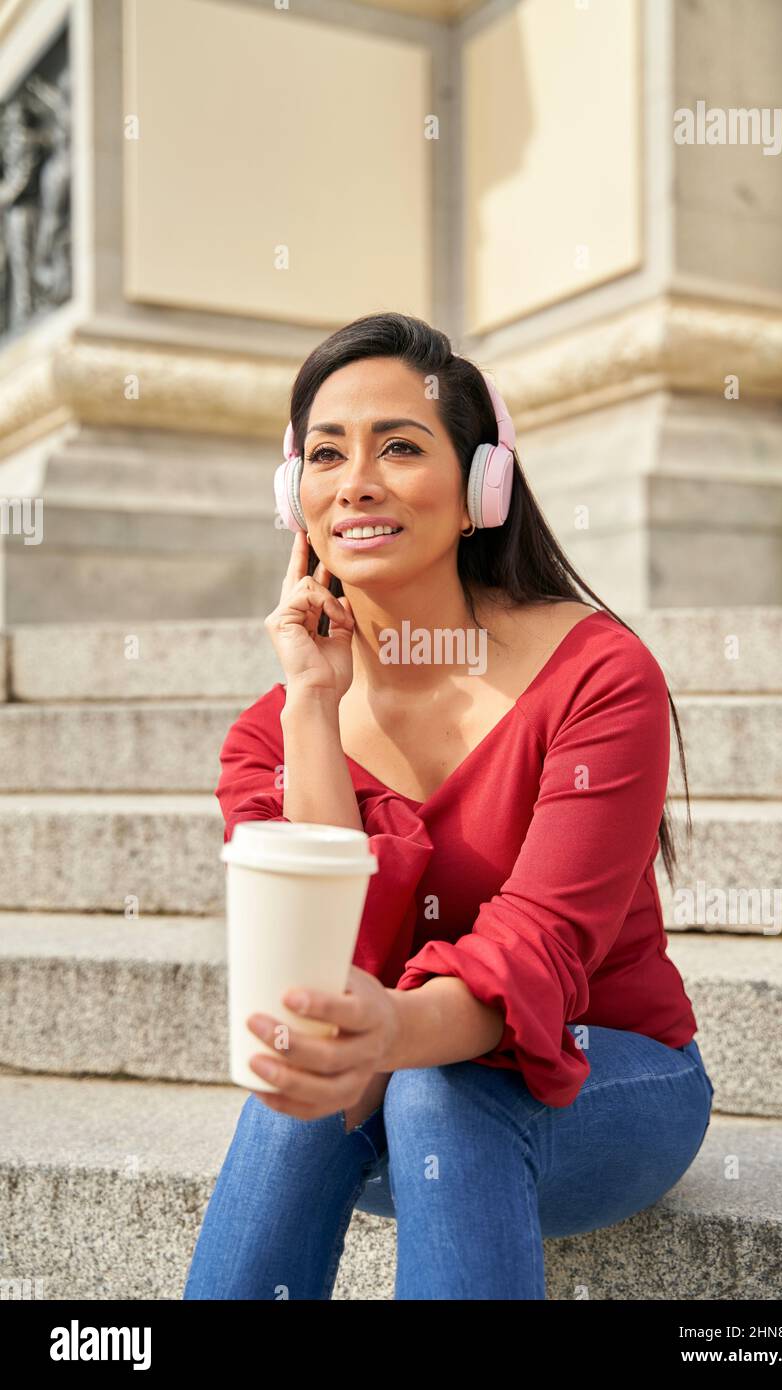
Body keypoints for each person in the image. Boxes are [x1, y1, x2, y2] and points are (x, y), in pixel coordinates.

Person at [183, 311, 714, 1301]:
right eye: (327, 453)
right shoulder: (270, 731)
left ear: (482, 487)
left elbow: (542, 947)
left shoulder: (595, 675)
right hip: (376, 1094)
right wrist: (312, 703)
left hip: (602, 1079)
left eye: (399, 446)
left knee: (438, 1089)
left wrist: (388, 1032)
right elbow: (312, 972)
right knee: (309, 1086)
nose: (357, 481)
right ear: (293, 497)